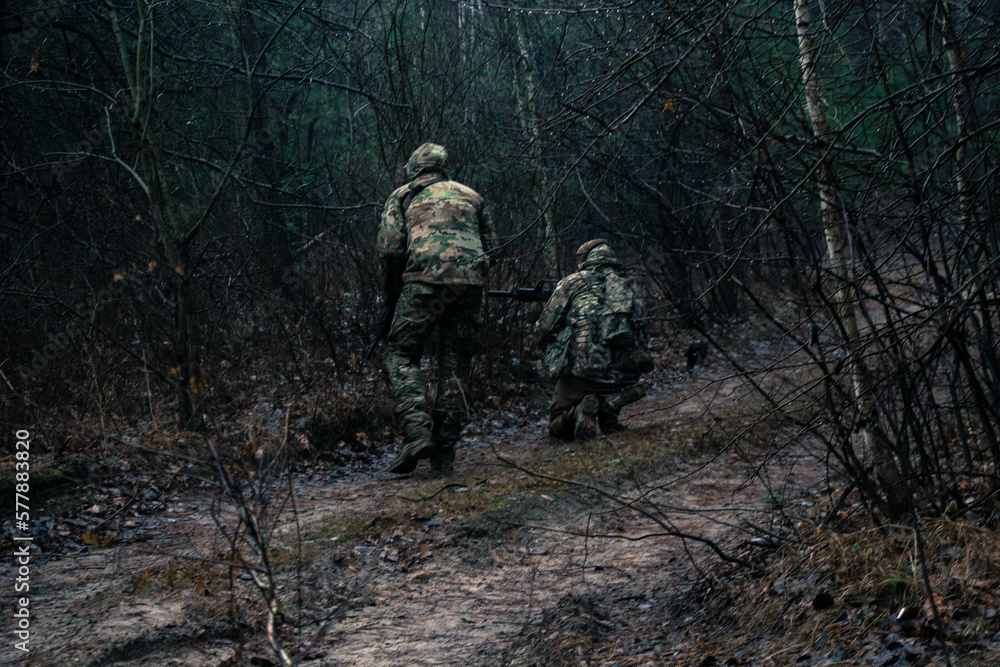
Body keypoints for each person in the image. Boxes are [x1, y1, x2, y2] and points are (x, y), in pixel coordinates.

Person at [376, 143, 497, 475]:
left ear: (413, 167)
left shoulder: (402, 196)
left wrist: (394, 294)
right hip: (468, 285)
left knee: (401, 354)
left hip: (422, 283)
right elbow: (494, 248)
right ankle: (443, 455)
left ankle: (417, 433)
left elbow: (389, 250)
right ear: (443, 166)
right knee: (455, 366)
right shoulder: (471, 196)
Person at [535, 239, 653, 441]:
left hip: (584, 376)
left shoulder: (572, 282)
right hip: (625, 376)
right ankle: (609, 410)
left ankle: (579, 412)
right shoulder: (627, 286)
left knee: (557, 425)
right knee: (612, 368)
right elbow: (640, 334)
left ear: (585, 260)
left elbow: (543, 328)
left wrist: (555, 349)